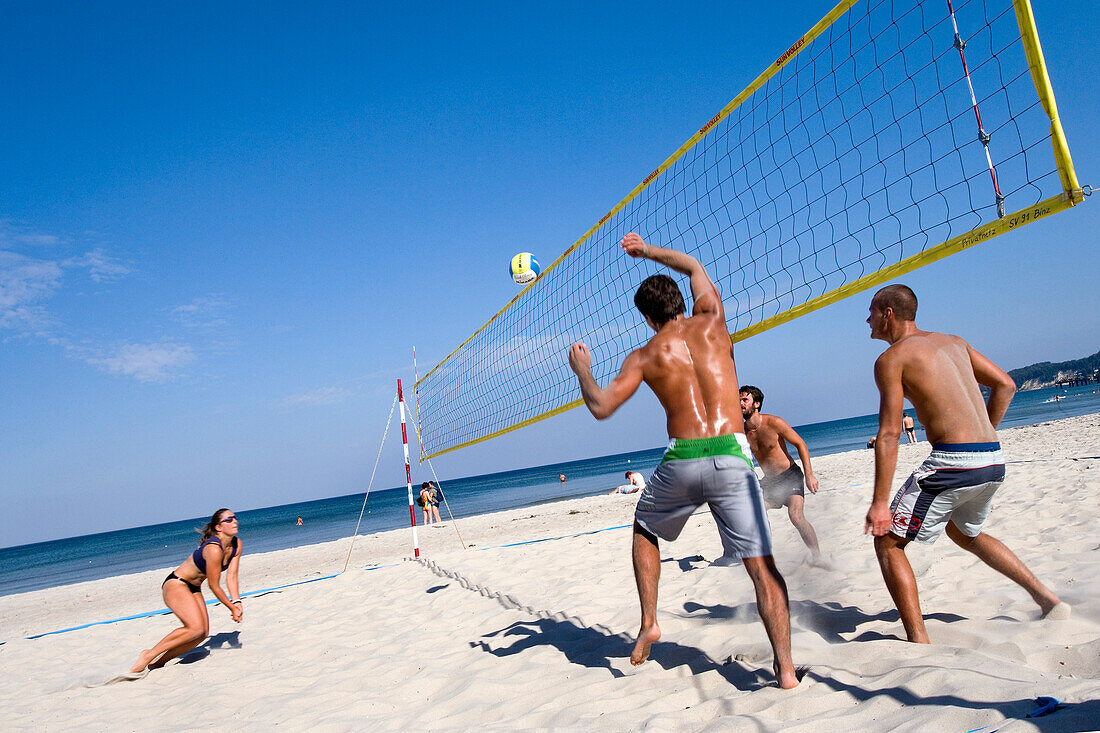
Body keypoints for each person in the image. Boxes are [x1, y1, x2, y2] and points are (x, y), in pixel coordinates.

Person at [567, 232, 798, 689]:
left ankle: (650, 619)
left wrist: (583, 371)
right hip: (732, 456)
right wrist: (646, 250)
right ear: (682, 302)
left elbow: (601, 407)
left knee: (645, 528)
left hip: (681, 460)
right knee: (762, 569)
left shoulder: (645, 354)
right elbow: (693, 265)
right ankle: (786, 671)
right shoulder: (712, 322)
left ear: (649, 318)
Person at [864, 284, 1067, 644]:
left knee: (888, 540)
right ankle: (1047, 600)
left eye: (871, 312)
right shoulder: (954, 342)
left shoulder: (891, 359)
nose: (867, 320)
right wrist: (986, 430)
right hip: (992, 459)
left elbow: (890, 434)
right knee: (964, 532)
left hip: (953, 463)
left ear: (887, 313)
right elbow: (1005, 384)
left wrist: (880, 504)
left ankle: (919, 642)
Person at [131, 508, 243, 672]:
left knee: (202, 633)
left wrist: (237, 601)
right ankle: (148, 654)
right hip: (177, 584)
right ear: (218, 527)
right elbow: (214, 585)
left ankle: (158, 662)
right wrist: (231, 608)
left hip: (194, 587)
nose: (234, 521)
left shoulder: (236, 545)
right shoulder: (213, 548)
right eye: (229, 519)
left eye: (235, 518)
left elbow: (231, 577)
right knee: (195, 628)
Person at [739, 386, 824, 565]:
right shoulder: (742, 432)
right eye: (738, 400)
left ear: (756, 404)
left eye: (744, 400)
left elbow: (800, 444)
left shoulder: (774, 423)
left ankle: (817, 557)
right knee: (752, 514)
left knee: (796, 517)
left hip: (790, 477)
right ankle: (762, 559)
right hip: (770, 482)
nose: (740, 404)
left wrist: (809, 475)